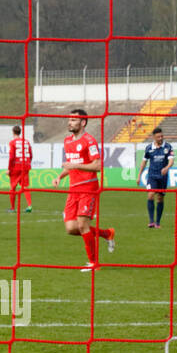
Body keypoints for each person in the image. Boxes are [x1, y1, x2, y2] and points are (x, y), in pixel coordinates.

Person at [58, 108, 114, 272]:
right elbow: (71, 165)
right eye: (69, 119)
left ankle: (94, 263)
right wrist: (60, 177)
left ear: (83, 122)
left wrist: (74, 165)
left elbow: (97, 165)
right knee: (71, 228)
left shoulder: (89, 141)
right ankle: (106, 234)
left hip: (88, 187)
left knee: (82, 225)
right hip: (73, 189)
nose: (70, 122)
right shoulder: (67, 141)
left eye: (74, 120)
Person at [140, 126, 173, 229]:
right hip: (152, 176)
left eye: (162, 136)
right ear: (154, 137)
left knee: (160, 198)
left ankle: (157, 222)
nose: (161, 138)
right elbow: (144, 162)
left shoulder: (168, 147)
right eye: (158, 137)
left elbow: (171, 160)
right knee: (150, 195)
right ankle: (151, 221)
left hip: (162, 177)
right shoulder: (149, 148)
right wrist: (139, 175)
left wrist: (167, 167)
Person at [7, 124, 33, 213]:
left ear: (13, 132)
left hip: (16, 167)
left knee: (12, 188)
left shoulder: (12, 142)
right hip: (25, 165)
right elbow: (30, 154)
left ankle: (12, 208)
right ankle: (29, 205)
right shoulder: (26, 142)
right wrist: (27, 163)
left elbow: (11, 157)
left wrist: (9, 169)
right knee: (25, 187)